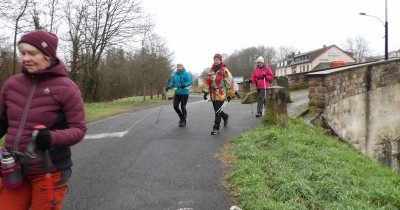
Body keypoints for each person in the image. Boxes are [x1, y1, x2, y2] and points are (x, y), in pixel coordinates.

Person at [0, 29, 87, 210]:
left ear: (47, 55)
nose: (25, 58)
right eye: (22, 53)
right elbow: (2, 121)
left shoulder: (66, 87)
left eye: (32, 53)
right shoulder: (11, 84)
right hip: (14, 169)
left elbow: (78, 129)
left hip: (49, 170)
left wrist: (51, 138)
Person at [202, 54, 235, 135]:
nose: (216, 61)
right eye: (214, 60)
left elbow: (229, 82)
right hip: (213, 93)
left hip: (221, 93)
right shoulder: (211, 70)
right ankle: (225, 116)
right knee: (217, 110)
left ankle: (216, 127)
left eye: (217, 60)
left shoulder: (224, 70)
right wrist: (205, 91)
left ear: (220, 60)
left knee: (217, 111)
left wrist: (230, 93)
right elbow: (207, 81)